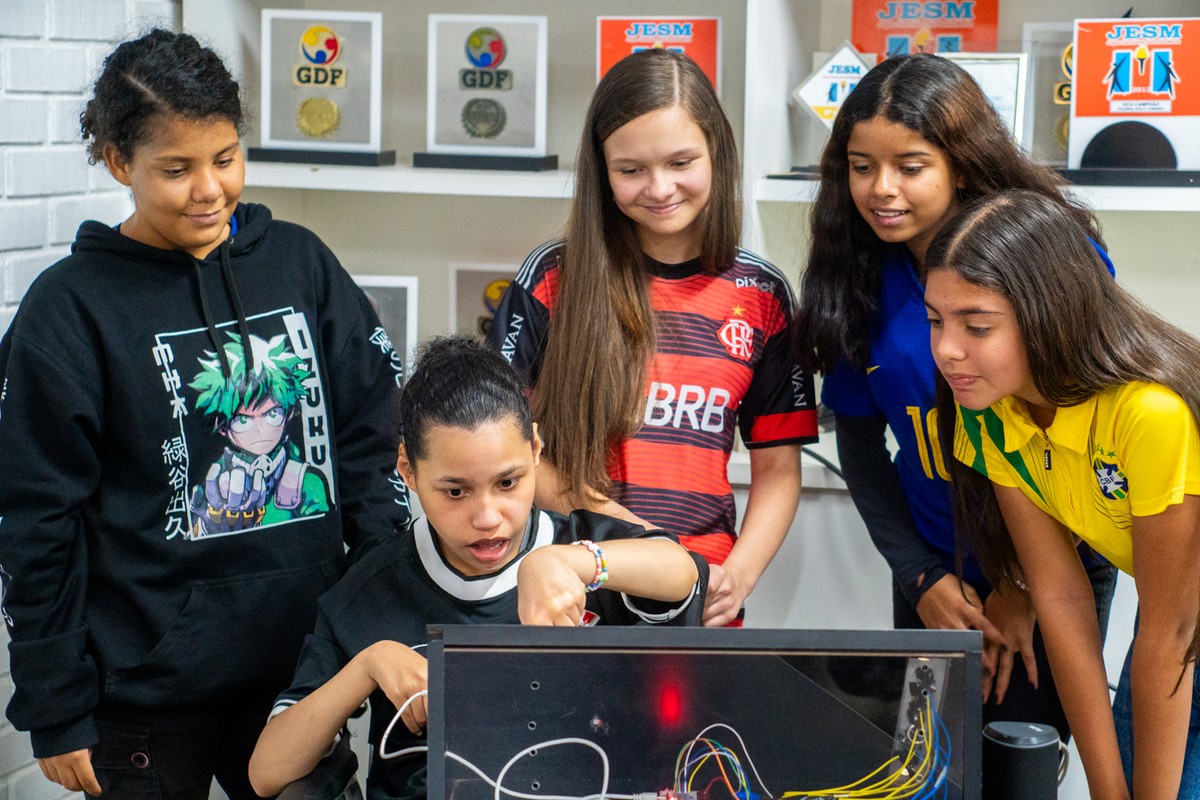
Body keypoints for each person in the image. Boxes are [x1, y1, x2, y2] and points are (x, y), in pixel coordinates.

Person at [0, 30, 409, 800]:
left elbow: (368, 432)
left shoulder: (298, 262)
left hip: (300, 670)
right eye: (176, 169)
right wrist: (54, 703)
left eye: (224, 158)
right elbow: (34, 519)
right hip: (144, 699)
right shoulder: (70, 309)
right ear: (120, 164)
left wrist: (380, 598)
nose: (210, 190)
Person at [792, 53, 1117, 734]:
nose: (881, 189)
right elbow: (858, 438)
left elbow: (1090, 434)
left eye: (910, 167)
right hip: (935, 578)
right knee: (929, 769)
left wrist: (1027, 587)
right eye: (861, 166)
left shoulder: (1056, 257)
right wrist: (920, 578)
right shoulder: (857, 277)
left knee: (1021, 767)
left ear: (961, 163)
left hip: (1051, 569)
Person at [247, 335, 707, 799]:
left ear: (535, 452)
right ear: (408, 471)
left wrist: (574, 562)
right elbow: (267, 772)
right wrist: (367, 665)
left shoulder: (576, 547)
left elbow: (682, 570)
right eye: (455, 492)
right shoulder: (372, 588)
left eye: (508, 482)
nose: (487, 517)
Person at [487, 48, 818, 627]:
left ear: (717, 151)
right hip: (567, 593)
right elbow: (507, 449)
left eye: (681, 161)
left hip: (700, 598)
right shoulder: (549, 280)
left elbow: (778, 469)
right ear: (602, 169)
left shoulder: (763, 295)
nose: (659, 187)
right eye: (631, 169)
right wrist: (637, 545)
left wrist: (736, 575)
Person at [927, 188, 1200, 800]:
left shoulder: (1149, 413)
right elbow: (1059, 595)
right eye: (935, 320)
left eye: (976, 325)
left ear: (1052, 312)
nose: (947, 348)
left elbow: (1170, 635)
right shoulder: (991, 407)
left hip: (1179, 636)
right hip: (1177, 642)